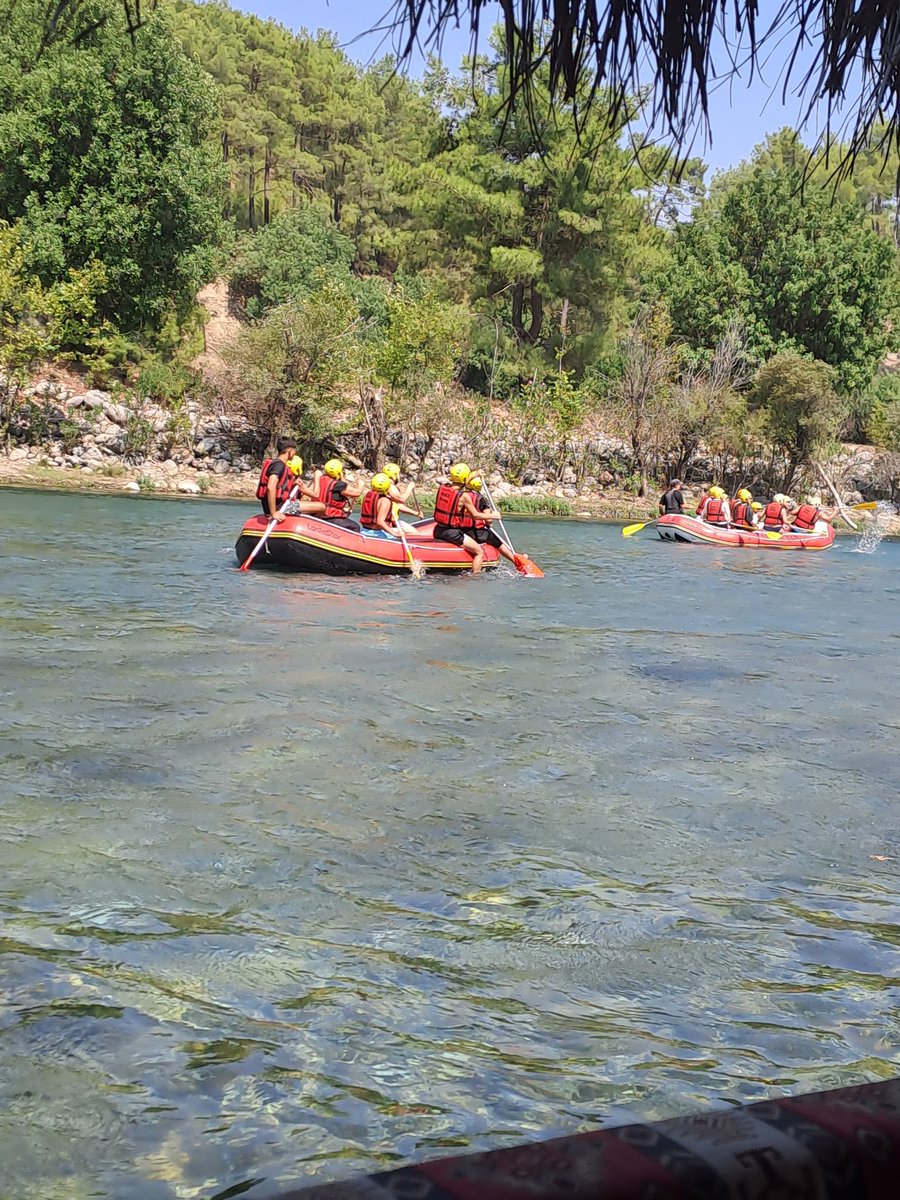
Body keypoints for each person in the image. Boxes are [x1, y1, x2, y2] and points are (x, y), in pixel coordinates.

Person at [432, 462, 486, 572]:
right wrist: (494, 515)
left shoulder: (443, 487)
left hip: (438, 530)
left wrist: (475, 474)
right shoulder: (464, 496)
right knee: (479, 552)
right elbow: (476, 515)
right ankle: (475, 579)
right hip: (452, 533)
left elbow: (460, 483)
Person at [256, 438, 323, 522]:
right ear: (290, 450)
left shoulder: (276, 464)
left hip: (276, 506)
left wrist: (292, 482)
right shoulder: (279, 465)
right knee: (321, 507)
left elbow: (278, 485)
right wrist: (274, 513)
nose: (295, 453)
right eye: (294, 451)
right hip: (282, 507)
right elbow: (270, 487)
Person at [466, 473, 522, 568]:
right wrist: (490, 523)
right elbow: (488, 519)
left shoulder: (461, 496)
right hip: (476, 533)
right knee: (498, 542)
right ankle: (515, 561)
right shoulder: (482, 499)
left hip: (462, 530)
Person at [314, 458, 365, 530]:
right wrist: (361, 485)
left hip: (319, 514)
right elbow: (357, 493)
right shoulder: (338, 485)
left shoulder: (320, 479)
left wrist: (343, 511)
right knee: (355, 527)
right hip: (330, 517)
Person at [382, 461, 423, 528]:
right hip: (389, 523)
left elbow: (398, 505)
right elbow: (402, 499)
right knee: (415, 533)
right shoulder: (390, 486)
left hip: (391, 522)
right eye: (398, 474)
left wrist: (415, 513)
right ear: (394, 475)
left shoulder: (384, 486)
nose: (399, 476)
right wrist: (409, 488)